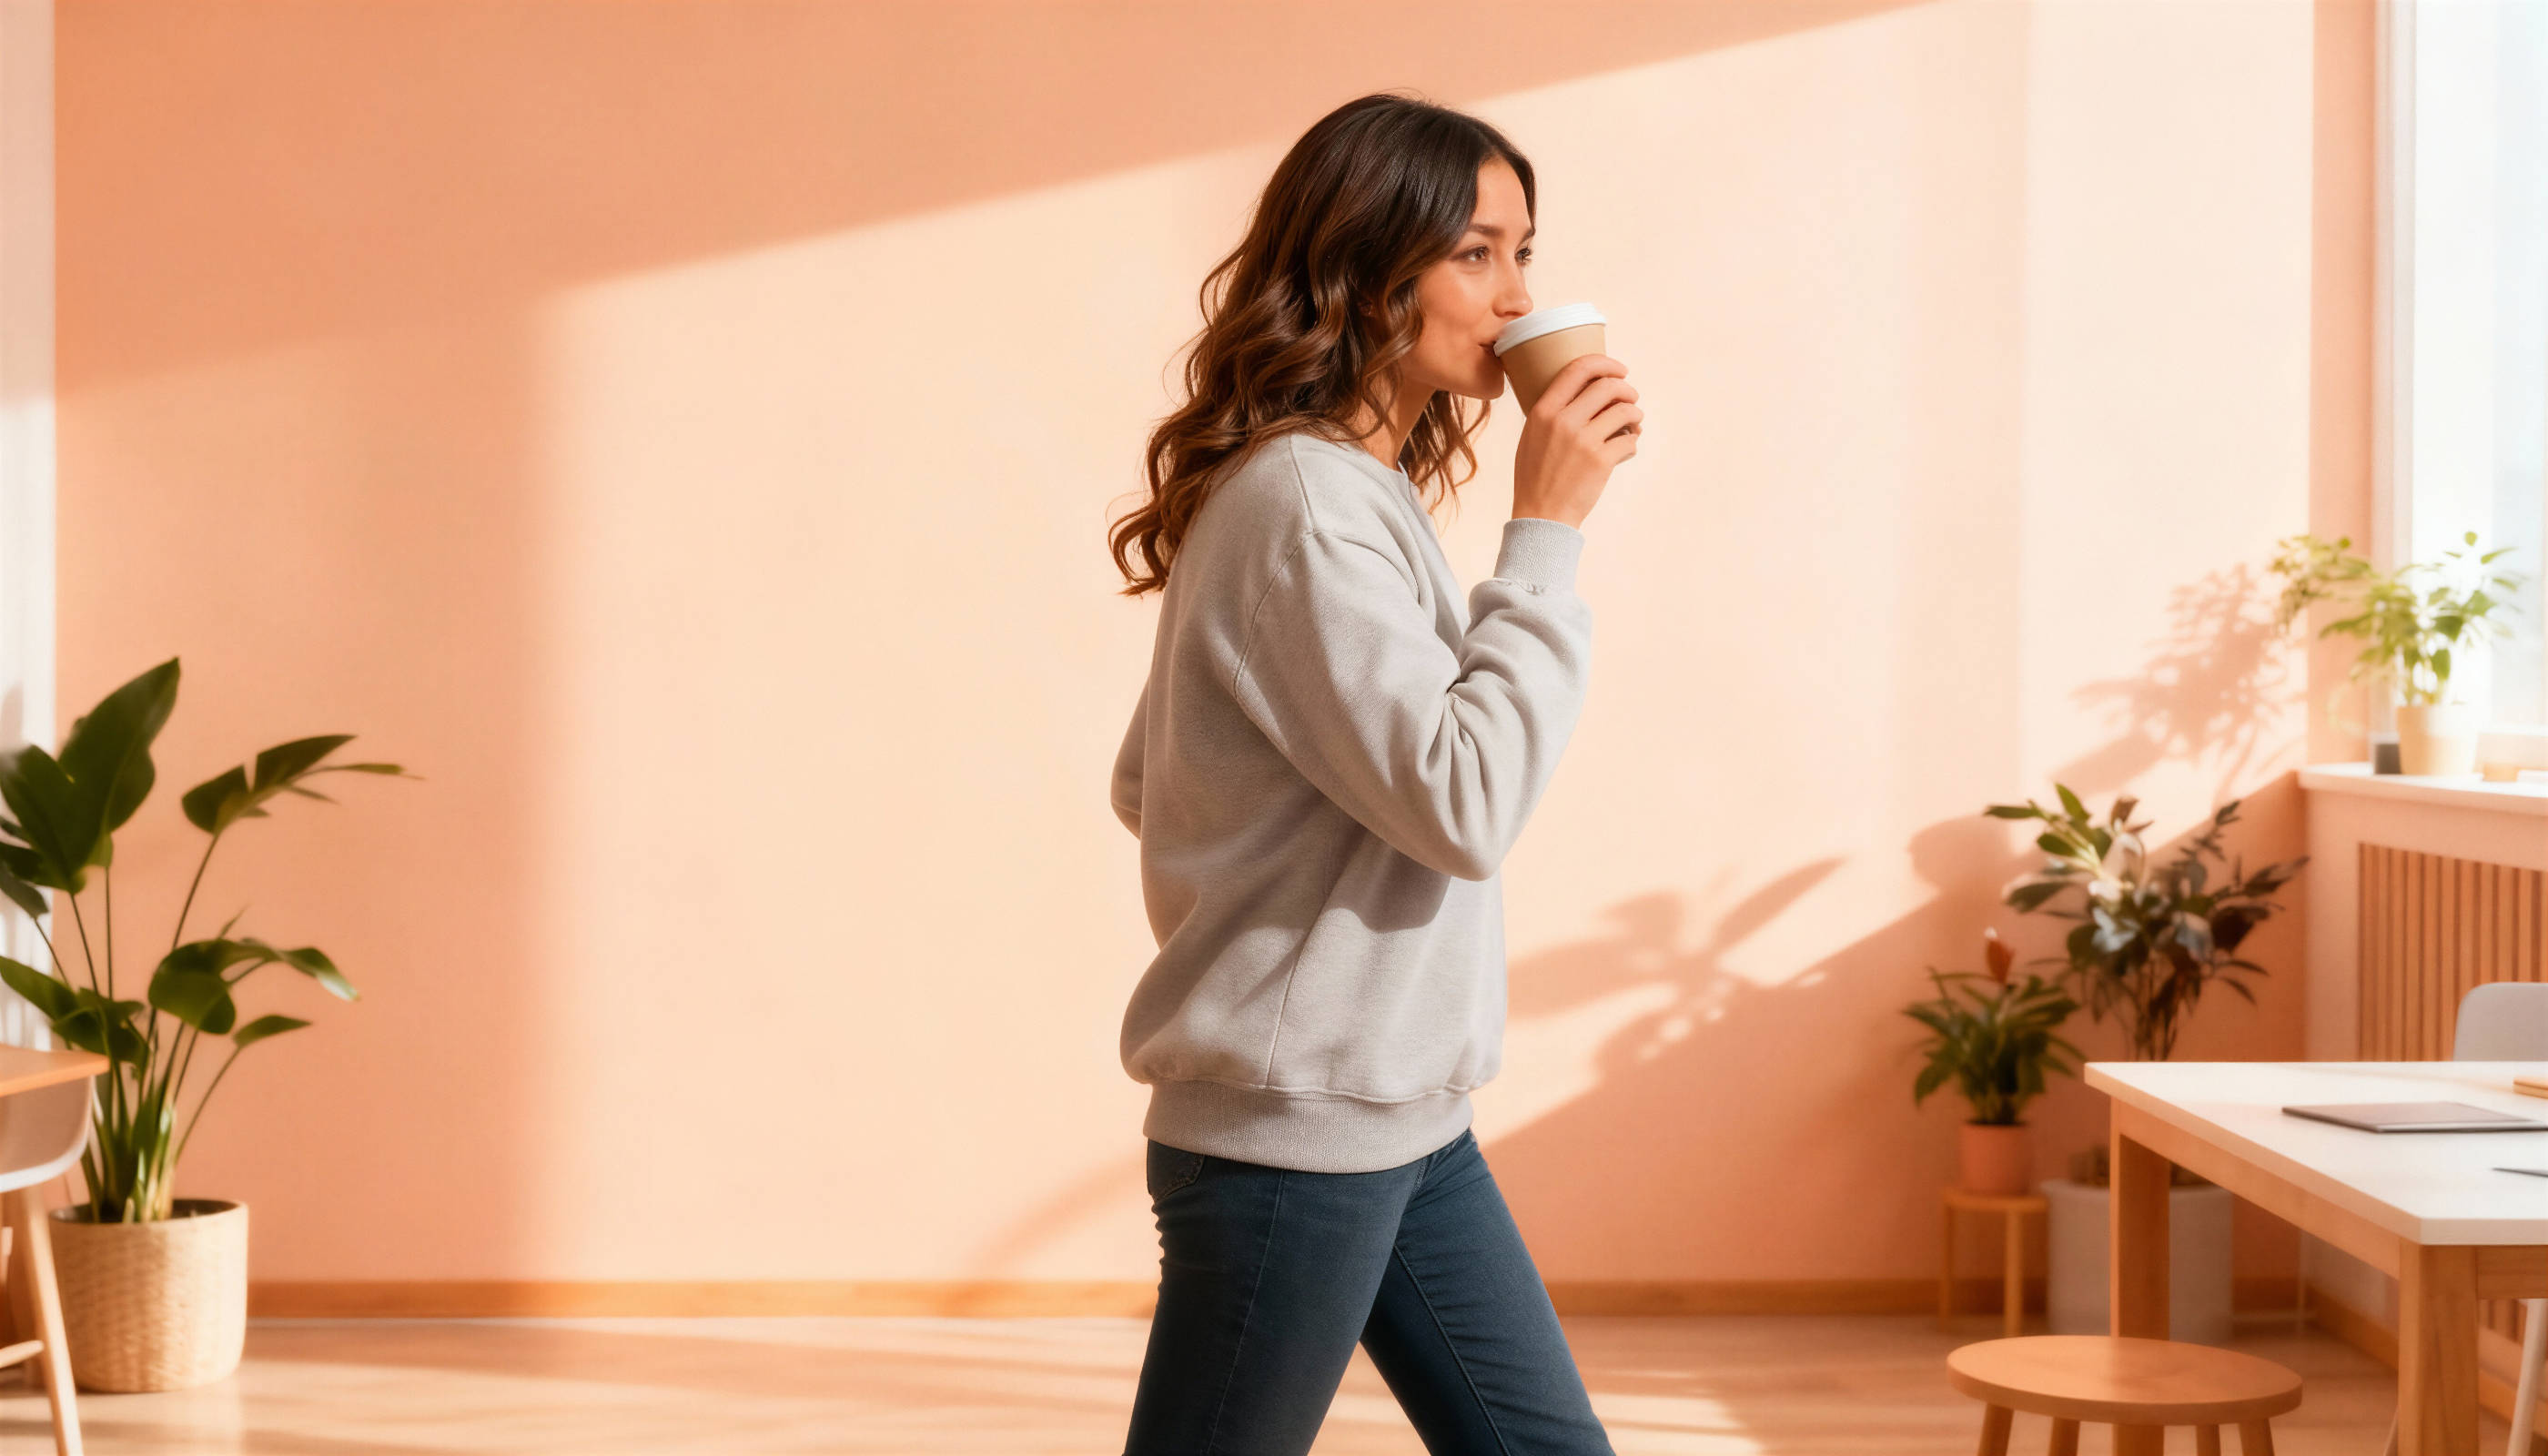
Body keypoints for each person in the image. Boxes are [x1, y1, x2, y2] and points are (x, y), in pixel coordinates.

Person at [1102, 89, 1641, 1456]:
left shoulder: (1351, 487)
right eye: (1477, 252)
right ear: (1363, 260)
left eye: (1525, 252)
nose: (1518, 297)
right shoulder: (1301, 500)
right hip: (1299, 1136)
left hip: (1397, 1109)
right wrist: (1546, 534)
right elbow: (1463, 804)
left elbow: (1150, 776)